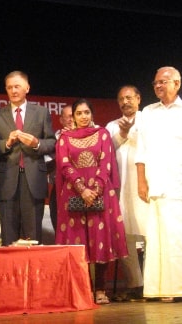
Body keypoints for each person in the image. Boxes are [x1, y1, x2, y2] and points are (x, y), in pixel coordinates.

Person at [135, 66, 182, 303]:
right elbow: (142, 150)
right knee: (160, 239)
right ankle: (164, 289)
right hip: (157, 183)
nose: (158, 86)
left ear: (177, 84)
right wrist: (141, 181)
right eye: (155, 82)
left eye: (163, 82)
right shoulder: (147, 112)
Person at [56, 98, 127, 304]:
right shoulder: (65, 138)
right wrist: (81, 189)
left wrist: (94, 190)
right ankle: (84, 289)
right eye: (79, 113)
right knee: (79, 242)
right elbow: (64, 165)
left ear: (92, 114)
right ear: (74, 117)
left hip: (100, 192)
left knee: (100, 239)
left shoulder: (102, 134)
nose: (84, 117)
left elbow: (106, 162)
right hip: (74, 194)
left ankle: (101, 289)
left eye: (87, 112)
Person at [0, 70, 56, 245]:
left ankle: (33, 273)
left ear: (27, 87)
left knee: (33, 235)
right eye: (9, 87)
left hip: (33, 180)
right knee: (8, 236)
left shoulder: (41, 112)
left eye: (17, 86)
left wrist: (36, 143)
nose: (13, 90)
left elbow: (52, 142)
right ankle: (9, 273)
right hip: (7, 180)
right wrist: (7, 143)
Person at [105, 85, 146, 301]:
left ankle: (153, 282)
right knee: (125, 237)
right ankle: (135, 284)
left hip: (145, 185)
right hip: (120, 188)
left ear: (138, 99)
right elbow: (106, 151)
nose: (125, 102)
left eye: (129, 97)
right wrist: (122, 133)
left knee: (150, 235)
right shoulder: (111, 126)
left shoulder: (149, 120)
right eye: (121, 99)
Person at [46, 104, 73, 241]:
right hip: (59, 190)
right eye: (67, 117)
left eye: (73, 116)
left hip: (83, 190)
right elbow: (46, 164)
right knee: (60, 231)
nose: (71, 119)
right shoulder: (54, 139)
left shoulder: (91, 137)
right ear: (61, 120)